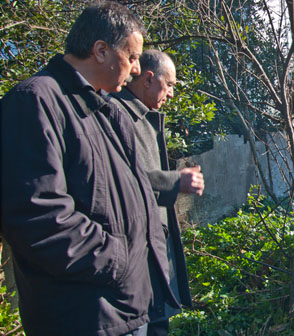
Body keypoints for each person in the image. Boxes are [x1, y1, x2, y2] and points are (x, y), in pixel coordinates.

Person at [0, 2, 176, 335]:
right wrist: (120, 260)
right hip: (83, 316)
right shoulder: (34, 102)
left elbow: (133, 192)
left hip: (128, 307)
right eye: (133, 57)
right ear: (100, 51)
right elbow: (38, 218)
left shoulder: (107, 110)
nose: (137, 70)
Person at [111, 50, 203, 336]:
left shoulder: (142, 116)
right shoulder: (115, 116)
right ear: (149, 79)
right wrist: (173, 182)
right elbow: (117, 181)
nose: (172, 94)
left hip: (153, 254)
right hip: (132, 259)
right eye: (171, 84)